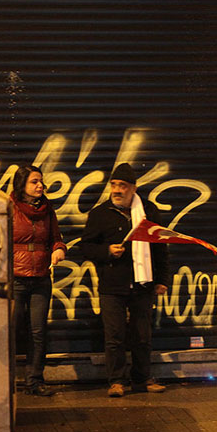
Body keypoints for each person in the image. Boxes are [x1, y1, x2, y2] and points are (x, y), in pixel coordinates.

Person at [80, 163, 168, 397]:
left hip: (143, 284)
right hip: (112, 285)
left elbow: (160, 247)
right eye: (114, 185)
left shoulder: (148, 211)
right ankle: (116, 381)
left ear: (133, 188)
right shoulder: (100, 214)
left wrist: (162, 279)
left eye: (123, 186)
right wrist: (107, 251)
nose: (117, 190)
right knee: (115, 336)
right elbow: (85, 247)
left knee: (142, 335)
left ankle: (141, 379)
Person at [11, 165, 66, 396]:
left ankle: (34, 381)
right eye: (34, 181)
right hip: (14, 279)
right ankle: (4, 383)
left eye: (41, 181)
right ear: (22, 185)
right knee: (10, 331)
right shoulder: (8, 207)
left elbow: (56, 238)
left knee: (37, 331)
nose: (40, 186)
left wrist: (59, 249)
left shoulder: (47, 208)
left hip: (41, 278)